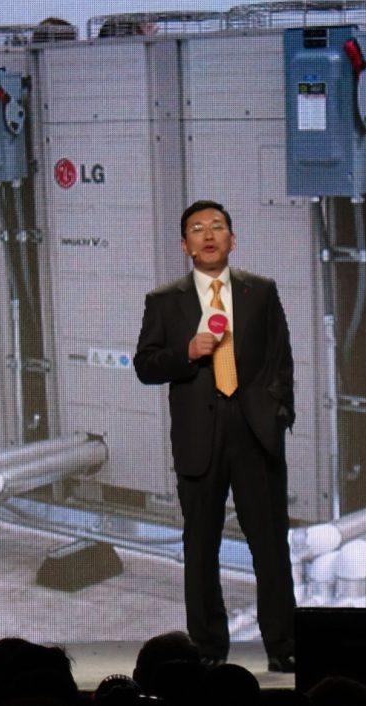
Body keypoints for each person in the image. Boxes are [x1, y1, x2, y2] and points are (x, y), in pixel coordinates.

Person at [134, 200, 297, 673]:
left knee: (270, 546)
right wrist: (186, 352)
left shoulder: (260, 291)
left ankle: (283, 645)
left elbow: (281, 360)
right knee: (201, 548)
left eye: (218, 226)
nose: (208, 235)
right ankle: (207, 648)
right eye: (197, 229)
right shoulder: (164, 300)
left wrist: (277, 414)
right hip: (198, 437)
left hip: (255, 435)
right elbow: (145, 365)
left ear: (232, 238)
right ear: (185, 245)